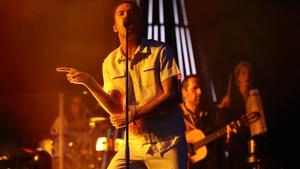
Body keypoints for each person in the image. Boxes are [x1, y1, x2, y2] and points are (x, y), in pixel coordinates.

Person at [56, 1, 187, 169]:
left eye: (131, 13)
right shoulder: (110, 63)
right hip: (133, 145)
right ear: (115, 27)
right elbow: (116, 108)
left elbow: (171, 96)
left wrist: (134, 115)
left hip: (168, 142)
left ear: (140, 23)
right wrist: (88, 82)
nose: (126, 16)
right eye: (121, 13)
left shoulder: (160, 51)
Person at [218, 61, 267, 169]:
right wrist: (222, 108)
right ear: (238, 78)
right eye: (243, 73)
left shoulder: (256, 98)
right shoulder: (231, 101)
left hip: (256, 147)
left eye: (249, 73)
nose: (247, 76)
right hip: (239, 151)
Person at [180, 75, 227, 169]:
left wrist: (228, 138)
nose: (200, 92)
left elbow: (224, 146)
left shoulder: (213, 112)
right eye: (195, 88)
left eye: (201, 87)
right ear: (185, 93)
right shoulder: (176, 115)